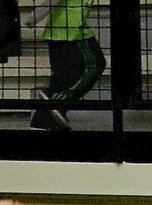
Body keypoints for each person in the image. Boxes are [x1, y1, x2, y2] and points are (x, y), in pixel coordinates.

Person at [26, 0, 106, 132]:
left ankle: (42, 121)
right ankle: (55, 100)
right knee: (94, 65)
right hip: (73, 32)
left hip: (59, 32)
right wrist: (34, 17)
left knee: (62, 78)